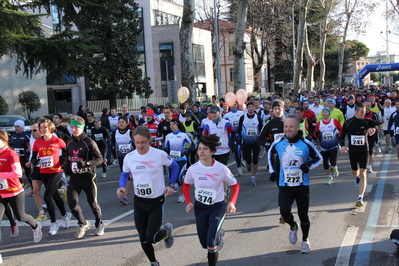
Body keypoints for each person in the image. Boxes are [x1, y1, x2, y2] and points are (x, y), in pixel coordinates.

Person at [117, 126, 178, 266]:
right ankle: (153, 262)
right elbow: (125, 174)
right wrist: (121, 186)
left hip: (156, 201)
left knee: (152, 237)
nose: (140, 145)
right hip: (139, 201)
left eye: (143, 142)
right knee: (143, 238)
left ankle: (166, 231)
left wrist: (172, 184)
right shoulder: (130, 157)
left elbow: (174, 166)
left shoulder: (159, 154)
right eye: (137, 142)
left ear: (150, 140)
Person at [268, 114, 322, 254]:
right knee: (284, 211)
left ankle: (305, 240)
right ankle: (293, 226)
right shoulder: (278, 143)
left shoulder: (306, 143)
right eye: (286, 126)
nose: (288, 129)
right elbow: (270, 154)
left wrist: (308, 166)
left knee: (303, 215)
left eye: (291, 126)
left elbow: (319, 158)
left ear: (298, 128)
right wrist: (272, 171)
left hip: (302, 185)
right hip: (285, 185)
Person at [182, 134, 240, 266]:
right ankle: (217, 237)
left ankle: (214, 240)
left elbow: (235, 185)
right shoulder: (193, 169)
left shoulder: (221, 169)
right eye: (199, 148)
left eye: (205, 149)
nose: (201, 151)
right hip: (200, 208)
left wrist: (232, 202)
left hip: (217, 207)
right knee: (204, 243)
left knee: (210, 243)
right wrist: (188, 202)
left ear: (212, 152)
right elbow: (186, 184)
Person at [0, 130, 43, 262]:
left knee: (21, 216)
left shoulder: (11, 154)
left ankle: (36, 227)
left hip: (14, 191)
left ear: (4, 141)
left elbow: (18, 173)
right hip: (1, 193)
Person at [64, 116, 104, 239]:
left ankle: (99, 224)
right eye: (71, 127)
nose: (73, 130)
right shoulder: (69, 142)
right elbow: (68, 157)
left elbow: (100, 159)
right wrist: (67, 168)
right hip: (75, 178)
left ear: (82, 128)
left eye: (76, 127)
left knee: (92, 203)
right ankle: (83, 223)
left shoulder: (89, 142)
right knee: (72, 203)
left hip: (88, 177)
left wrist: (87, 163)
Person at [31, 119, 71, 235]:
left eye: (44, 127)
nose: (42, 130)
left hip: (56, 171)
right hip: (44, 172)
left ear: (50, 128)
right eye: (41, 128)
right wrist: (35, 161)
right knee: (55, 196)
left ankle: (53, 223)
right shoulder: (37, 142)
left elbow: (67, 152)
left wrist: (63, 161)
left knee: (47, 196)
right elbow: (34, 158)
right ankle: (65, 215)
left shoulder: (57, 140)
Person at [340, 103, 384, 207]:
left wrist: (374, 128)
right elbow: (341, 137)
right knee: (356, 173)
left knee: (363, 173)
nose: (363, 114)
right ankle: (357, 176)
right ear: (356, 111)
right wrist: (342, 146)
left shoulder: (367, 121)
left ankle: (360, 197)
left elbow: (382, 124)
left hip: (364, 150)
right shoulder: (348, 123)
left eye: (364, 112)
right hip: (353, 152)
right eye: (361, 112)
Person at [164, 119, 194, 203]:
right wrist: (167, 154)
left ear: (177, 125)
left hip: (182, 159)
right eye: (170, 125)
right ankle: (173, 188)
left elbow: (192, 145)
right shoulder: (168, 136)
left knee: (179, 177)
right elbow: (166, 148)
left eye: (173, 124)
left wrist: (186, 151)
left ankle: (182, 194)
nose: (171, 126)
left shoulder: (183, 135)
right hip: (172, 160)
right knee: (172, 178)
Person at [314, 108, 342, 185]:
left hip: (333, 145)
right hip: (323, 146)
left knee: (333, 161)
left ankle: (334, 167)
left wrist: (339, 137)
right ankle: (329, 177)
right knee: (325, 164)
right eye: (323, 112)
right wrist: (316, 134)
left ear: (329, 113)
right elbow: (315, 135)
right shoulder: (319, 123)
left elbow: (341, 129)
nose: (324, 114)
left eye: (326, 112)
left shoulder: (334, 121)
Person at [237, 102, 263, 185]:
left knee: (255, 160)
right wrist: (239, 139)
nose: (251, 108)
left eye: (252, 107)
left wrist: (261, 139)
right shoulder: (242, 117)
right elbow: (239, 129)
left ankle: (253, 177)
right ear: (247, 108)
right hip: (246, 142)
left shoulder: (258, 117)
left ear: (254, 108)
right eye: (249, 107)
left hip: (256, 142)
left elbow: (261, 129)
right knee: (248, 159)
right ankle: (248, 163)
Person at [26, 123, 47, 221]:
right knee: (36, 190)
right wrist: (30, 162)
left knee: (51, 192)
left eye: (34, 130)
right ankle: (41, 213)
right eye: (31, 130)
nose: (32, 132)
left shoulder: (50, 138)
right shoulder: (33, 140)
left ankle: (63, 214)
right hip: (37, 168)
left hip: (48, 169)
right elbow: (32, 154)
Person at [114, 116, 134, 205]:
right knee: (126, 176)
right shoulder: (115, 132)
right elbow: (114, 145)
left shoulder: (130, 132)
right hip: (121, 157)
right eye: (119, 122)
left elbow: (136, 143)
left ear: (127, 124)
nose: (120, 124)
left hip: (131, 157)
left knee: (133, 176)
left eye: (122, 122)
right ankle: (125, 197)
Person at [223, 102, 245, 175]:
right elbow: (225, 127)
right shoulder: (227, 115)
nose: (234, 106)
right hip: (232, 136)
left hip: (241, 135)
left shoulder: (242, 113)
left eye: (235, 104)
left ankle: (243, 162)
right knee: (236, 151)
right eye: (232, 104)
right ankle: (239, 166)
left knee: (242, 149)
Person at [11, 120, 31, 191]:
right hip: (17, 158)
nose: (16, 128)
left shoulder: (26, 136)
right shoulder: (13, 136)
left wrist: (28, 154)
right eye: (15, 127)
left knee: (28, 173)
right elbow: (12, 147)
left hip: (25, 157)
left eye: (18, 127)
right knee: (16, 172)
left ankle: (33, 188)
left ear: (22, 127)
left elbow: (30, 147)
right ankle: (21, 184)